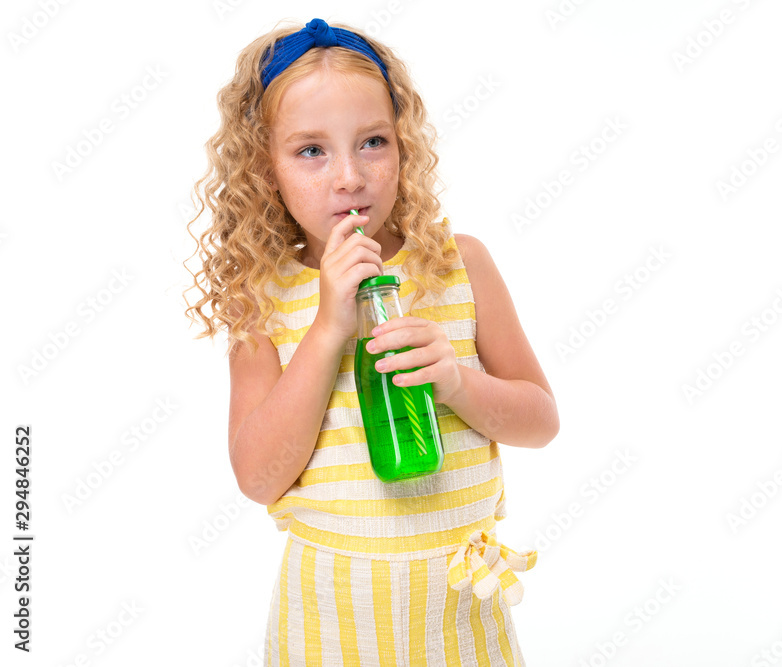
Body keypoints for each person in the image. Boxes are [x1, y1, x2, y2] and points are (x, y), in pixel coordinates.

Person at [183, 17, 559, 665]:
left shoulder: (459, 265)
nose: (349, 177)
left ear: (404, 147)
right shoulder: (263, 298)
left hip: (457, 612)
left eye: (373, 142)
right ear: (265, 168)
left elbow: (541, 422)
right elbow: (259, 476)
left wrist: (457, 381)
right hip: (329, 617)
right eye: (311, 150)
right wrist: (328, 327)